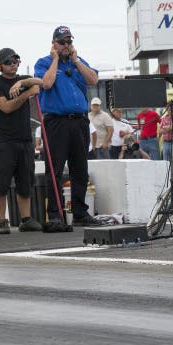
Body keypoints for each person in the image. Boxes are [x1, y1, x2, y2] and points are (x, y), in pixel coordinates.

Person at [34, 26, 100, 227]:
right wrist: (55, 59)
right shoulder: (44, 62)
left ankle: (80, 212)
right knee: (54, 169)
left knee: (80, 168)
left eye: (69, 41)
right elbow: (46, 84)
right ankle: (55, 214)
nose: (66, 45)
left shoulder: (77, 62)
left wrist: (76, 61)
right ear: (54, 43)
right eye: (62, 42)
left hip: (79, 121)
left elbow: (93, 80)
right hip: (57, 121)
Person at [0, 47, 44, 234]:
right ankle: (2, 221)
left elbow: (41, 82)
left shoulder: (21, 80)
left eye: (16, 61)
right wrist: (27, 93)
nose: (13, 64)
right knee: (1, 183)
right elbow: (7, 107)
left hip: (25, 139)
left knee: (25, 181)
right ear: (0, 65)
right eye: (9, 62)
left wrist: (24, 83)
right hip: (5, 141)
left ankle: (26, 219)